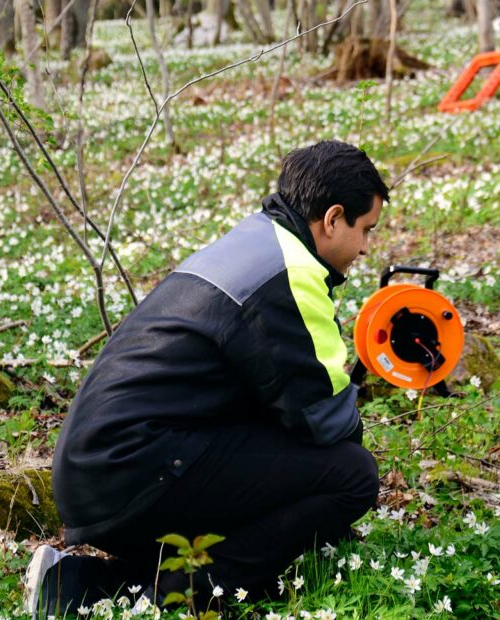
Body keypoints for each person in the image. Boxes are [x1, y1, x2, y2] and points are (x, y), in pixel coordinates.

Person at [25, 140, 388, 618]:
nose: (365, 247)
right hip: (133, 471)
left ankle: (74, 584)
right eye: (366, 230)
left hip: (103, 466)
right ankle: (171, 595)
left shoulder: (256, 241)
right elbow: (325, 422)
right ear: (333, 218)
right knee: (351, 475)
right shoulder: (289, 274)